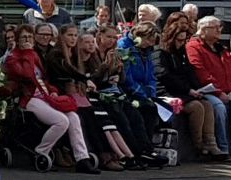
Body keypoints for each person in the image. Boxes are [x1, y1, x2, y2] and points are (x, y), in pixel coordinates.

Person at [5, 24, 100, 174]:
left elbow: (43, 78)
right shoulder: (13, 58)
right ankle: (41, 150)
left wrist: (53, 91)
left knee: (73, 117)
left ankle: (82, 158)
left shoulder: (34, 56)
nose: (27, 40)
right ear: (17, 39)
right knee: (62, 121)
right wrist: (28, 52)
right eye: (24, 37)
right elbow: (27, 75)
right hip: (28, 98)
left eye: (30, 37)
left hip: (45, 95)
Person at [45, 24, 130, 170]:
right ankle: (98, 156)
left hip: (78, 93)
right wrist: (86, 79)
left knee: (96, 118)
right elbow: (67, 71)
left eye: (75, 35)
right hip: (62, 94)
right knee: (87, 119)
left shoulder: (73, 53)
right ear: (62, 36)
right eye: (70, 35)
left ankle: (112, 154)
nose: (73, 38)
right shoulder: (56, 53)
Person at [90, 24, 165, 168]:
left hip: (117, 92)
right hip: (105, 94)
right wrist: (110, 72)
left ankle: (146, 150)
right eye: (109, 37)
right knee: (124, 118)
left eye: (114, 37)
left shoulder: (117, 52)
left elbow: (145, 76)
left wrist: (150, 91)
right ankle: (135, 154)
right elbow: (97, 78)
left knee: (141, 113)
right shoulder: (100, 52)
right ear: (100, 36)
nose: (113, 41)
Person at [156, 20, 227, 161]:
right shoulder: (161, 53)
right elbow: (165, 75)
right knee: (196, 107)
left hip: (185, 92)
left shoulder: (182, 53)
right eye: (179, 40)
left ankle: (211, 144)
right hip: (168, 92)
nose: (182, 43)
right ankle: (199, 145)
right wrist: (188, 90)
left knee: (207, 104)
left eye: (184, 40)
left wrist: (196, 88)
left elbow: (190, 72)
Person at [186, 16, 231, 156]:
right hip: (208, 91)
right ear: (203, 30)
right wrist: (219, 92)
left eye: (219, 27)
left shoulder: (220, 48)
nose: (219, 30)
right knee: (220, 108)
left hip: (230, 91)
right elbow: (200, 72)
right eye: (215, 27)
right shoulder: (194, 47)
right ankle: (224, 148)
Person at [121, 22, 162, 140]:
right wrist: (142, 93)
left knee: (153, 108)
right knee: (145, 110)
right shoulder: (125, 47)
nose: (150, 44)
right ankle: (144, 147)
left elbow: (151, 75)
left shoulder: (146, 50)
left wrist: (151, 91)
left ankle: (148, 145)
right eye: (148, 40)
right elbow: (127, 77)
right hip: (130, 91)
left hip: (144, 90)